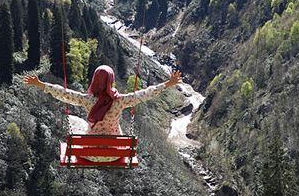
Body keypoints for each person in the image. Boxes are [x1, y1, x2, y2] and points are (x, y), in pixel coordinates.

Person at [25, 66, 182, 161]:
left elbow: (64, 93)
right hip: (116, 154)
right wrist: (169, 83)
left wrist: (40, 84)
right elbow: (146, 94)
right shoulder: (120, 101)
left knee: (75, 121)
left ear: (94, 80)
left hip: (88, 154)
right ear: (111, 81)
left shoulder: (87, 100)